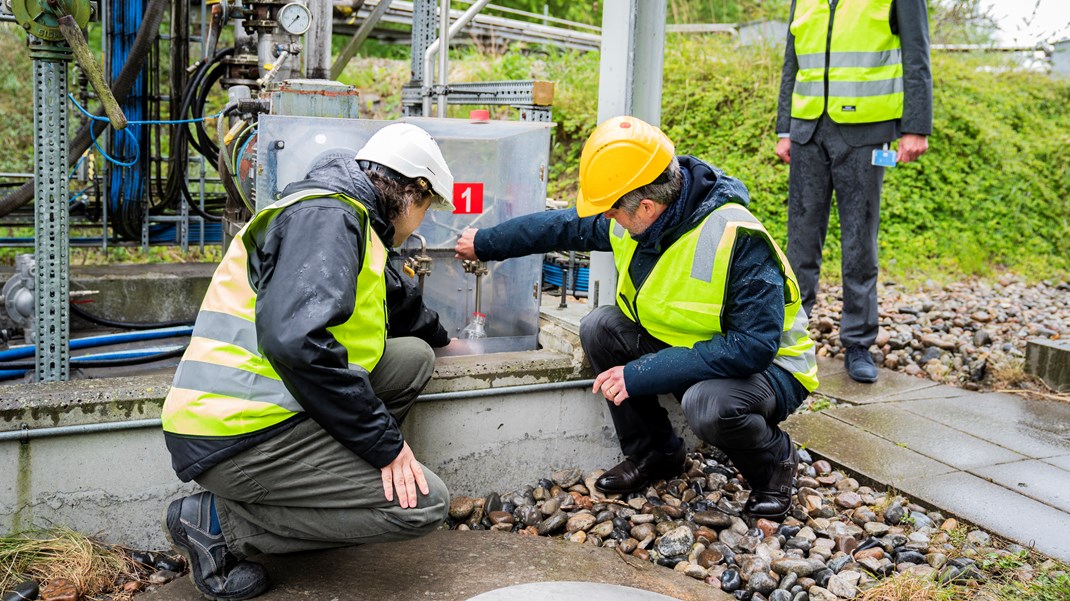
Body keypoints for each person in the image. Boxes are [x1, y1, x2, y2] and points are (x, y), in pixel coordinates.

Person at [455, 116, 819, 522]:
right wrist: (485, 243)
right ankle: (657, 455)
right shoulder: (640, 215)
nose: (609, 221)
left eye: (613, 213)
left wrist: (641, 372)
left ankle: (774, 466)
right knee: (600, 327)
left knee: (708, 405)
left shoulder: (738, 239)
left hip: (770, 369)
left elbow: (751, 348)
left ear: (646, 206)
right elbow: (559, 227)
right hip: (693, 350)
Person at [160, 123, 454, 600]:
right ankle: (218, 524)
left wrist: (445, 339)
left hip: (268, 408)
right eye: (429, 206)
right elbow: (295, 342)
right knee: (422, 506)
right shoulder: (326, 218)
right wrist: (384, 447)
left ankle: (329, 485)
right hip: (237, 432)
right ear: (413, 191)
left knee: (413, 359)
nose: (423, 220)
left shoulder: (346, 213)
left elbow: (391, 297)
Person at [775, 0, 932, 383]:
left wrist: (915, 126)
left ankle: (858, 342)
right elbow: (792, 59)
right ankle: (787, 337)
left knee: (860, 239)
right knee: (800, 239)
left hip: (868, 132)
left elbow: (917, 53)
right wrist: (784, 127)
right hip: (808, 130)